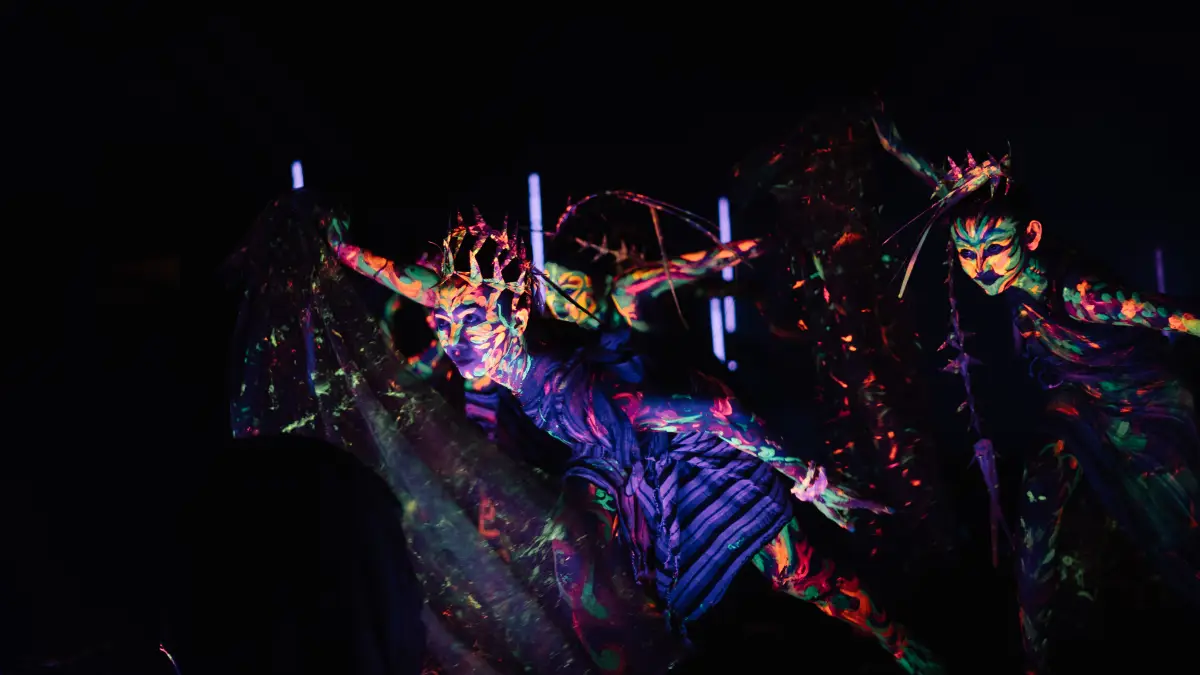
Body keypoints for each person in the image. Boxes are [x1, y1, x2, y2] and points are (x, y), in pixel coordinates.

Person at [416, 208, 944, 674]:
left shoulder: (590, 366)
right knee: (580, 559)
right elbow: (422, 286)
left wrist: (810, 479)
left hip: (693, 451)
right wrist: (360, 258)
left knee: (800, 575)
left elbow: (714, 411)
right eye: (443, 321)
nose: (452, 337)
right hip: (624, 460)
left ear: (517, 313)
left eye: (470, 320)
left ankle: (907, 648)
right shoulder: (522, 358)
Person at [875, 116, 1200, 672]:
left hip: (1144, 407)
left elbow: (1174, 316)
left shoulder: (1080, 293)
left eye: (995, 249)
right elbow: (956, 197)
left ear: (1030, 237)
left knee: (1179, 536)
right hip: (1078, 400)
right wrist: (897, 145)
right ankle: (1035, 656)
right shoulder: (1003, 261)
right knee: (1038, 506)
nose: (980, 268)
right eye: (966, 254)